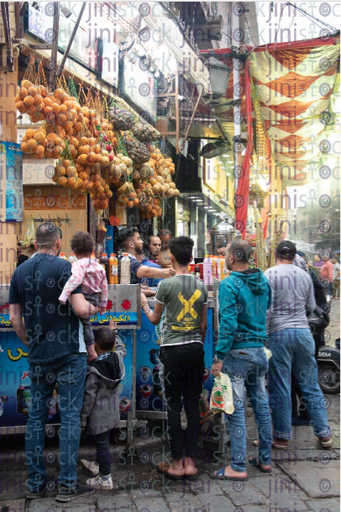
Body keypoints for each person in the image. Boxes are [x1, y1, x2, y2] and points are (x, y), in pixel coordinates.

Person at [9, 222, 98, 502]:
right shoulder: (65, 269)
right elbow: (81, 308)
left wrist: (29, 342)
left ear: (36, 244)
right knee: (70, 417)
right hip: (69, 353)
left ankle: (35, 483)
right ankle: (67, 484)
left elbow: (14, 319)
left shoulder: (19, 273)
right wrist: (97, 307)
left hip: (38, 356)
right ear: (58, 243)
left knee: (35, 417)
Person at [141, 236, 207, 480]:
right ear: (190, 259)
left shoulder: (166, 286)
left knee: (173, 404)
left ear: (173, 258)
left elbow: (155, 319)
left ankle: (176, 463)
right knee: (192, 404)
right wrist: (197, 345)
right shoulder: (200, 285)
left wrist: (142, 304)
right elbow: (203, 325)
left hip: (172, 351)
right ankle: (191, 461)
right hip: (195, 350)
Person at [210, 240, 273, 481]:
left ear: (234, 257)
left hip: (238, 354)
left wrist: (218, 357)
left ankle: (237, 465)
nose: (223, 256)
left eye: (225, 253)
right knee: (260, 406)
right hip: (259, 351)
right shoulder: (263, 281)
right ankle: (265, 459)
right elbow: (266, 310)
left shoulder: (229, 284)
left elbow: (228, 324)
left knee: (235, 409)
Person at [264, 240, 332, 449]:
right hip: (303, 334)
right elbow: (311, 306)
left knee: (281, 385)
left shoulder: (268, 275)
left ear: (276, 255)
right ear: (294, 256)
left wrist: (264, 336)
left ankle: (282, 437)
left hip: (279, 334)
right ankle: (325, 434)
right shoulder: (304, 275)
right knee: (310, 384)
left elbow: (267, 310)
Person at [80, 320, 126, 491]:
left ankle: (105, 478)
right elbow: (122, 349)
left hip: (98, 416)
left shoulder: (93, 369)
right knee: (103, 441)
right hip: (112, 412)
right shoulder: (117, 357)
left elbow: (89, 398)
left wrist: (83, 419)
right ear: (113, 344)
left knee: (102, 443)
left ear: (94, 344)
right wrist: (115, 332)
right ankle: (98, 465)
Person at [59, 231, 108, 353]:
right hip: (95, 298)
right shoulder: (98, 266)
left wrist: (64, 295)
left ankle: (90, 351)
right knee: (86, 323)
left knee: (85, 324)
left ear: (74, 252)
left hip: (84, 297)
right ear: (92, 249)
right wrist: (102, 304)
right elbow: (104, 286)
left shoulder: (77, 265)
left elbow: (75, 280)